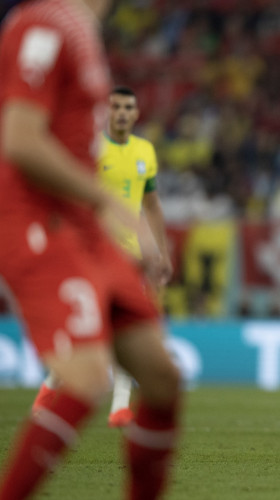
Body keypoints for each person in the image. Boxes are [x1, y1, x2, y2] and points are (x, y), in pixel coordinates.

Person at [0, 1, 182, 498]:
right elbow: (19, 140)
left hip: (83, 229)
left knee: (161, 377)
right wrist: (108, 202)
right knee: (84, 377)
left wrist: (135, 230)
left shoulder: (84, 31)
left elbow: (82, 154)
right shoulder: (42, 24)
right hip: (36, 222)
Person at [31, 85, 174, 428]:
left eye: (128, 107)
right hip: (94, 250)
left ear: (137, 114)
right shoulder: (91, 149)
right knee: (90, 329)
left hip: (133, 255)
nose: (122, 113)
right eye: (116, 107)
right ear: (106, 112)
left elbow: (151, 205)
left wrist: (161, 250)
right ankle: (50, 387)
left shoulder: (145, 152)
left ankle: (120, 407)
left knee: (133, 324)